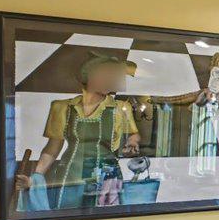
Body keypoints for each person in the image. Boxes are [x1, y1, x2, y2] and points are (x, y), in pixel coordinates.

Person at [15, 54, 140, 210]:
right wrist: (35, 178)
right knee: (67, 217)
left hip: (107, 176)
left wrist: (132, 143)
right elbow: (52, 149)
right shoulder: (62, 107)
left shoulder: (121, 108)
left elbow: (133, 135)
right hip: (71, 175)